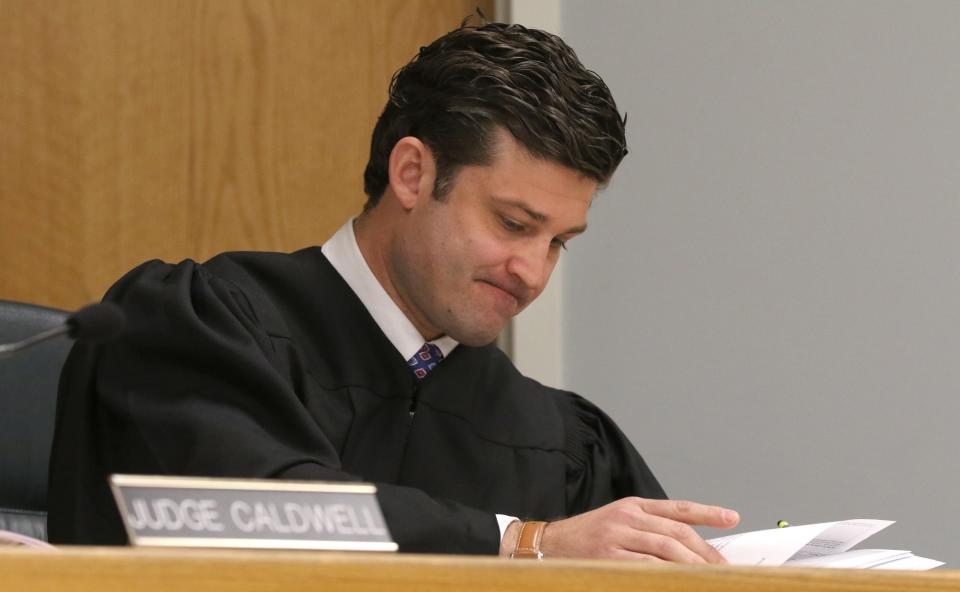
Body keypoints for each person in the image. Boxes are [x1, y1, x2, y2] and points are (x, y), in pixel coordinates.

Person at [47, 20, 739, 561]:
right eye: (512, 223)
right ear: (412, 175)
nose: (532, 270)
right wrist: (522, 544)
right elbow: (260, 517)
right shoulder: (198, 329)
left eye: (558, 241)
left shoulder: (559, 441)